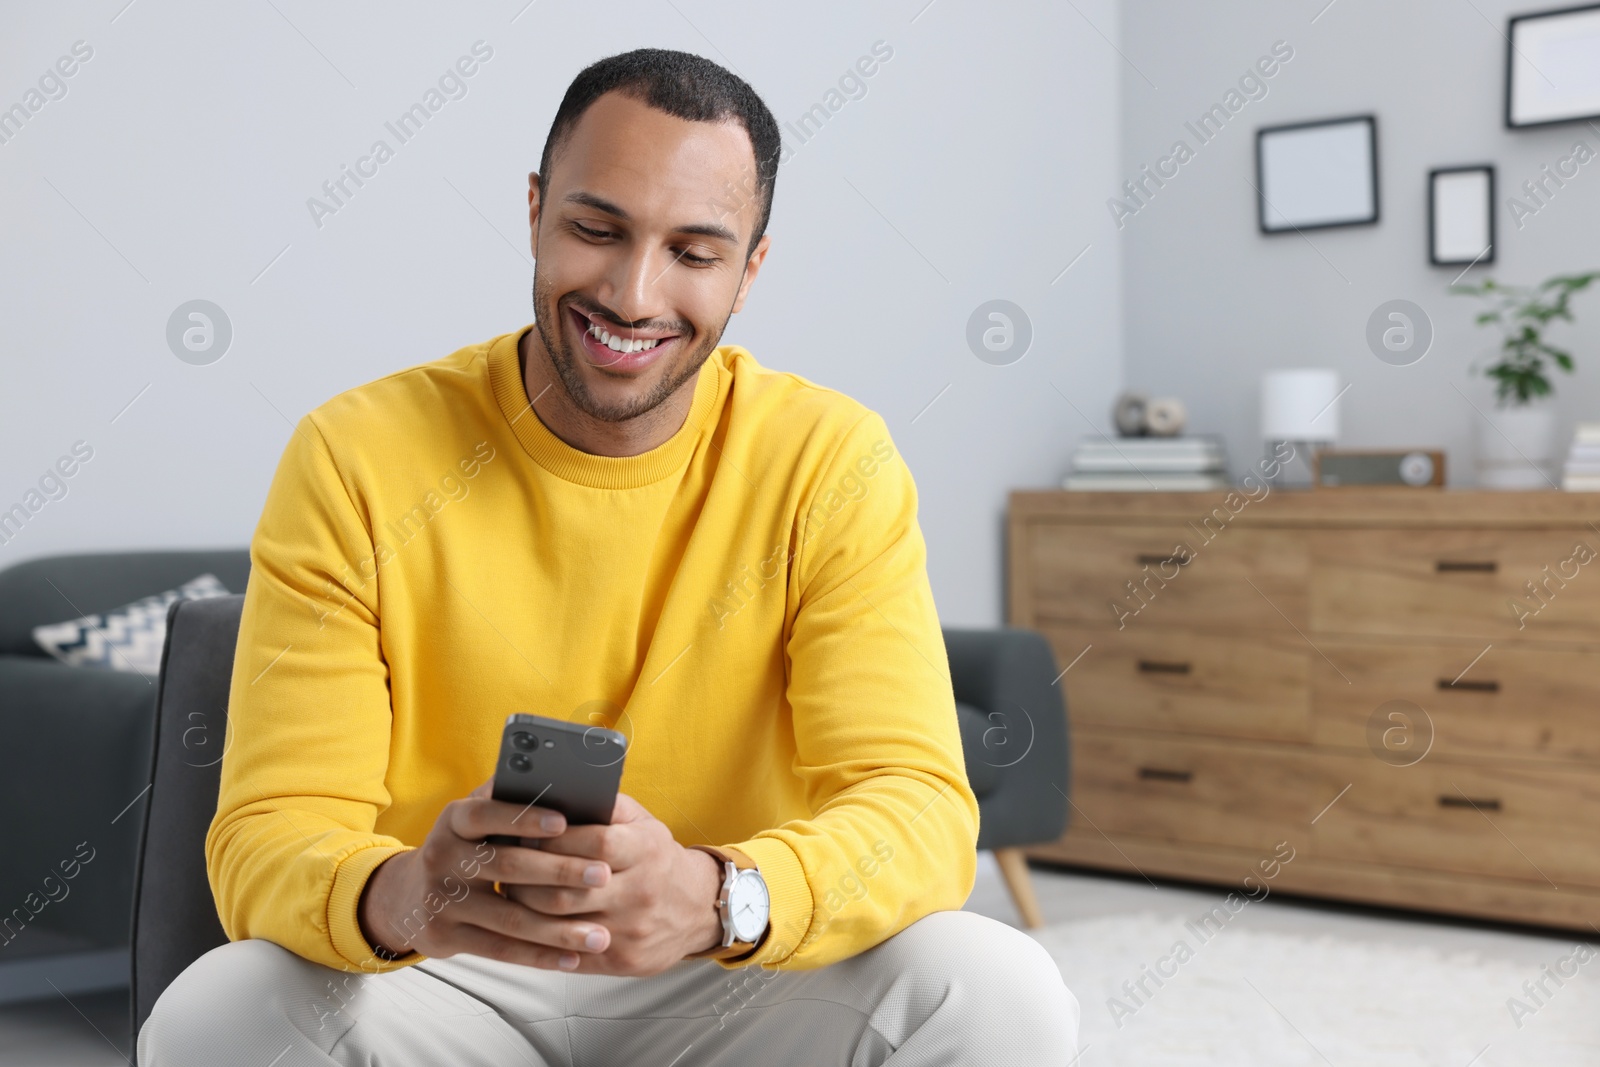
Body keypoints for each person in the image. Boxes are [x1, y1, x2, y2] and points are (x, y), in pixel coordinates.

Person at [139, 47, 1078, 1065]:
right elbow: (268, 834)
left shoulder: (828, 459)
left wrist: (721, 894)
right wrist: (410, 892)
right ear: (536, 209)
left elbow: (917, 803)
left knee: (1001, 989)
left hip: (730, 971)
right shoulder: (353, 453)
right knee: (214, 1014)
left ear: (750, 269)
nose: (633, 294)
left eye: (694, 250)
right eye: (597, 230)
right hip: (439, 973)